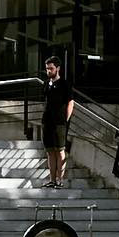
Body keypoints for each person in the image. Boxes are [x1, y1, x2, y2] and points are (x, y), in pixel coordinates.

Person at [41, 55, 74, 188]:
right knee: (50, 151)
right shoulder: (46, 84)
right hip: (47, 121)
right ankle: (52, 179)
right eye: (47, 69)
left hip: (60, 122)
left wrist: (66, 119)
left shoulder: (64, 84)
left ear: (58, 68)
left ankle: (60, 180)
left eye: (51, 68)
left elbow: (70, 102)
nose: (49, 71)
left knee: (60, 150)